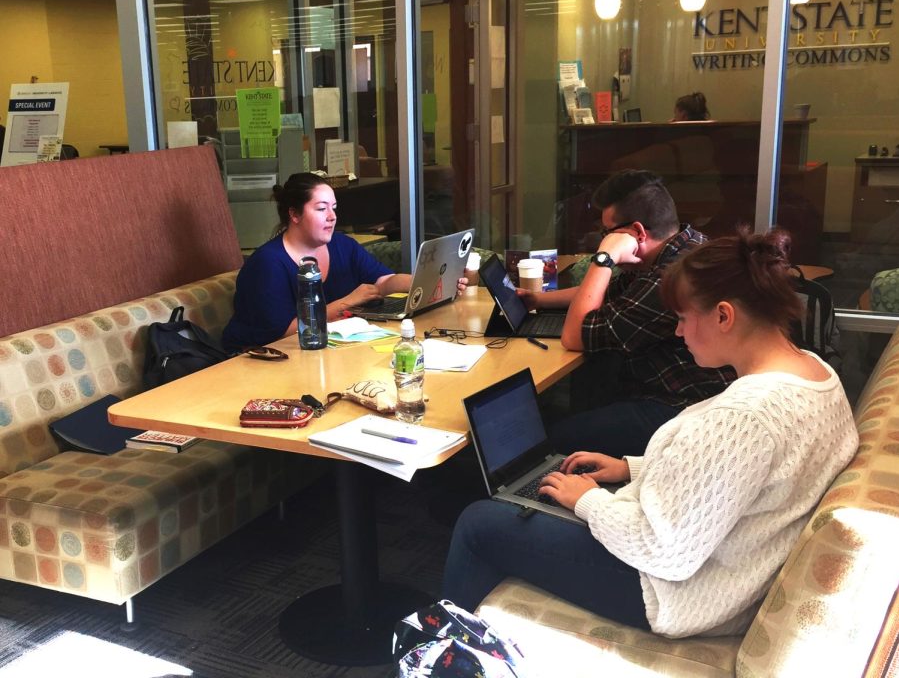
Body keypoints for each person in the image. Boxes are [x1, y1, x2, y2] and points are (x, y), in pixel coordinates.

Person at [443, 229, 859, 639]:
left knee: (479, 522)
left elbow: (665, 551)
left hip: (682, 593)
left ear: (723, 315)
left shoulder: (746, 416)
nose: (677, 333)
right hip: (721, 563)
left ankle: (447, 656)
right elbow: (740, 481)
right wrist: (630, 469)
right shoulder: (815, 371)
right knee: (536, 497)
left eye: (682, 319)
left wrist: (586, 501)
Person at [523, 170, 734, 457]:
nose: (603, 238)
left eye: (607, 232)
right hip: (681, 393)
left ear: (637, 232)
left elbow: (574, 337)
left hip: (684, 408)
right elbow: (604, 292)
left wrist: (604, 257)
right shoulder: (684, 246)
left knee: (552, 436)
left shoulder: (669, 278)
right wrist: (538, 299)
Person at [222, 172, 465, 351]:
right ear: (294, 214)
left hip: (325, 353)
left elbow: (383, 281)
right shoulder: (268, 264)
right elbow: (282, 332)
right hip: (262, 359)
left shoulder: (342, 246)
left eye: (334, 208)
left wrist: (430, 282)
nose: (332, 216)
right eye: (321, 209)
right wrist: (347, 302)